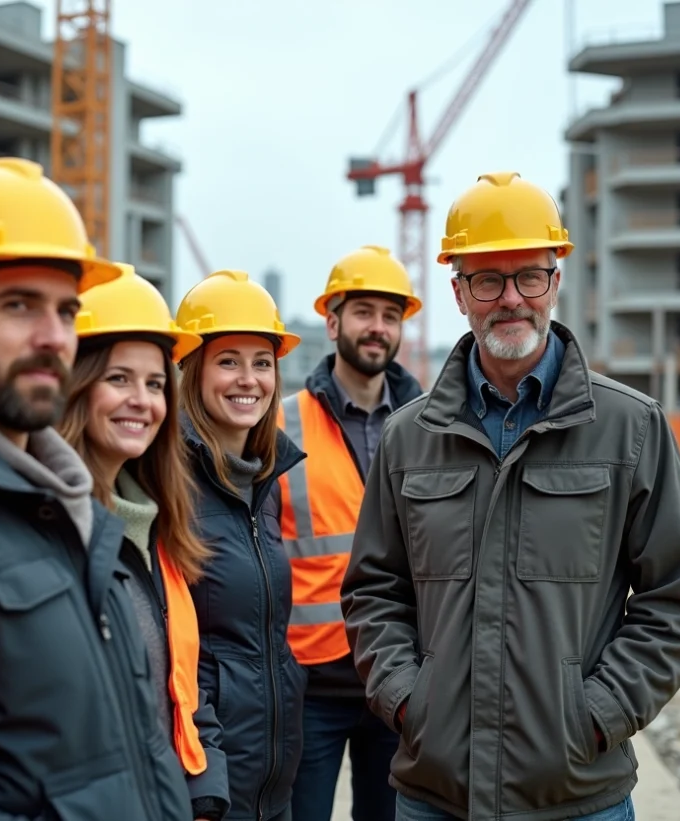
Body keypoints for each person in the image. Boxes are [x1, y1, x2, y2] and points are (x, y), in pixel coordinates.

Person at [341, 171, 680, 821]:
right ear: (459, 292)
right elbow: (374, 587)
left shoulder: (629, 426)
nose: (510, 298)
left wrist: (598, 713)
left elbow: (679, 593)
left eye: (529, 276)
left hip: (576, 794)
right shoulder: (408, 437)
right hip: (436, 793)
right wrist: (409, 699)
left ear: (556, 281)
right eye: (487, 279)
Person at [0, 156, 194, 821]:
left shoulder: (69, 504)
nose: (55, 336)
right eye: (19, 305)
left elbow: (136, 745)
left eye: (66, 309)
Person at [57, 265, 231, 821]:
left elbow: (181, 683)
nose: (142, 400)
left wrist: (206, 792)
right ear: (74, 382)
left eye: (155, 384)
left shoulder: (157, 526)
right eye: (118, 379)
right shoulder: (53, 526)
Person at [282, 245, 424, 821]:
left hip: (401, 679)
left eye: (391, 316)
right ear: (333, 321)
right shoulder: (282, 423)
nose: (378, 328)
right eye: (364, 312)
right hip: (311, 685)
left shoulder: (429, 424)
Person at [175, 270, 308, 821]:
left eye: (262, 362)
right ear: (193, 371)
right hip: (209, 784)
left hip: (271, 782)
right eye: (228, 360)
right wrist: (206, 783)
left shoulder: (263, 483)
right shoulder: (169, 485)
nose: (248, 379)